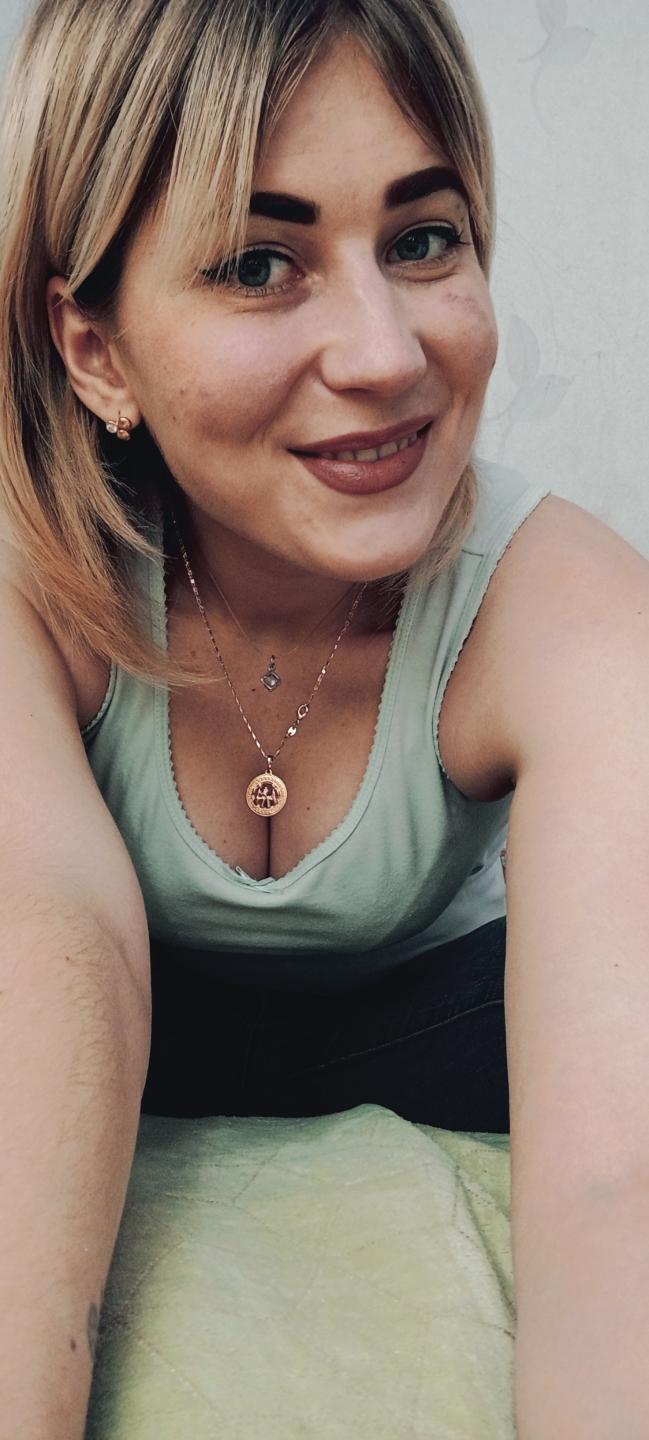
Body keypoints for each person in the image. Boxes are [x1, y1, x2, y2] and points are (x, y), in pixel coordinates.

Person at [1, 0, 649, 1436]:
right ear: (95, 347)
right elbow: (45, 965)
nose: (383, 355)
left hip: (433, 1027)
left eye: (421, 240)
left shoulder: (577, 614)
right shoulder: (30, 587)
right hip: (118, 1025)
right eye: (257, 264)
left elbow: (622, 1187)